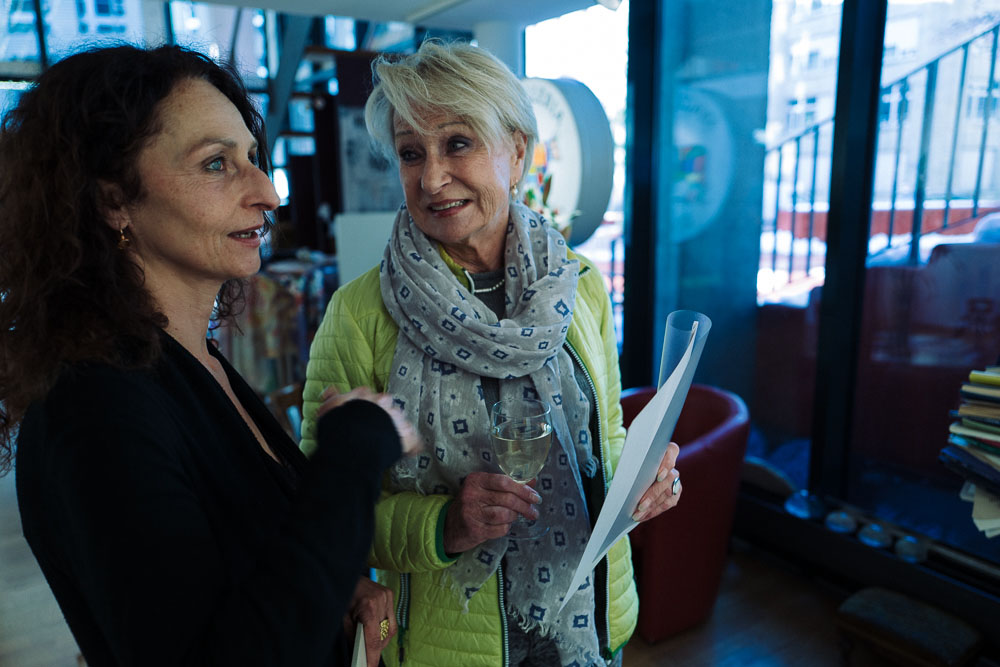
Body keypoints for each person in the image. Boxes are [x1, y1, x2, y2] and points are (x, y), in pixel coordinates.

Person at [0, 44, 419, 667]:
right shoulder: (95, 404)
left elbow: (238, 574)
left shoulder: (188, 362)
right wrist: (353, 451)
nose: (267, 193)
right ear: (113, 200)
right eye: (216, 164)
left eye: (252, 158)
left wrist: (331, 587)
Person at [300, 40, 683, 667]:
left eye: (458, 143)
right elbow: (322, 509)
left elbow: (606, 436)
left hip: (587, 627)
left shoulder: (578, 286)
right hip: (448, 645)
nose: (431, 178)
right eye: (411, 153)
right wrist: (444, 524)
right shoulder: (359, 314)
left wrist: (643, 482)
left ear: (517, 154)